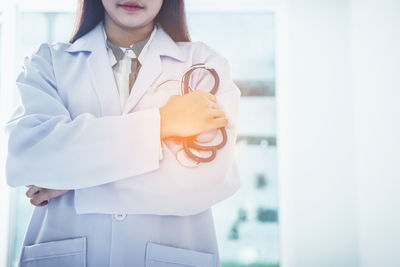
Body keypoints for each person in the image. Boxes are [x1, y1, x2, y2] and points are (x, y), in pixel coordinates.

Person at [4, 0, 241, 266]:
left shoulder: (202, 64)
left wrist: (74, 180)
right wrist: (162, 123)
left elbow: (207, 180)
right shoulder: (49, 62)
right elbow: (28, 156)